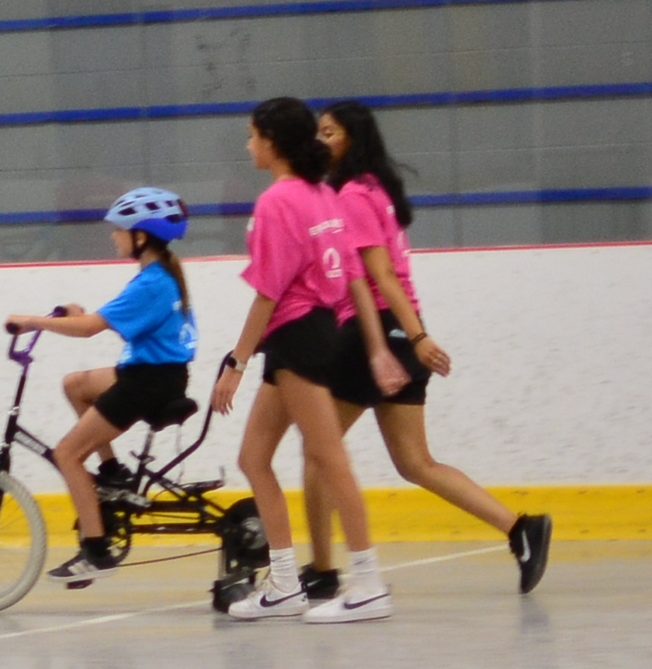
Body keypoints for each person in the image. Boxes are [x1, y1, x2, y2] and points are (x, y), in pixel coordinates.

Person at [308, 100, 552, 595]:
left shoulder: (353, 195)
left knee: (320, 451)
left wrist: (416, 336)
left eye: (329, 132)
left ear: (352, 139)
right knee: (416, 463)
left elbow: (380, 276)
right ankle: (520, 528)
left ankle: (322, 571)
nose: (319, 140)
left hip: (372, 334)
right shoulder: (377, 190)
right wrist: (414, 334)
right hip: (399, 333)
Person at [209, 96, 402, 624]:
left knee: (328, 457)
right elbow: (347, 276)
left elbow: (268, 291)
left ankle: (367, 583)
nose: (248, 145)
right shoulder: (322, 193)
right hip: (311, 329)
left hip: (296, 333)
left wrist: (237, 361)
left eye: (252, 135)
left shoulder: (278, 201)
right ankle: (286, 584)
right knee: (254, 457)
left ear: (272, 141)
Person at [3, 187, 197, 586]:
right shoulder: (156, 276)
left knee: (68, 454)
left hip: (148, 382)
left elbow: (91, 331)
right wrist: (80, 315)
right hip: (153, 373)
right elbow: (102, 320)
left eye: (120, 229)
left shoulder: (151, 284)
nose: (114, 236)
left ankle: (95, 550)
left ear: (140, 236)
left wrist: (34, 321)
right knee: (75, 385)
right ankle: (111, 473)